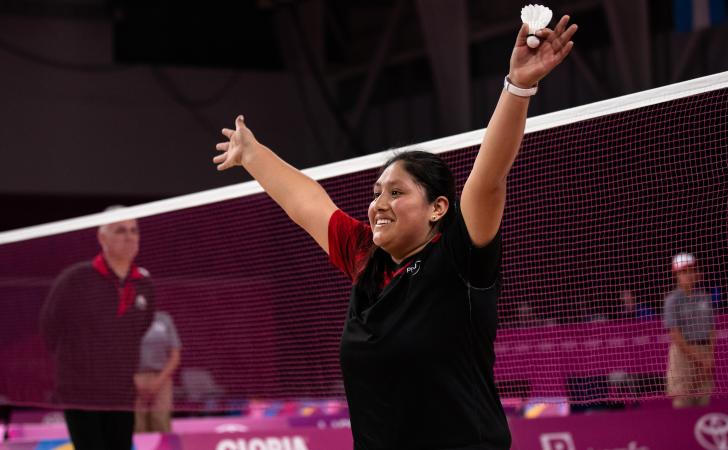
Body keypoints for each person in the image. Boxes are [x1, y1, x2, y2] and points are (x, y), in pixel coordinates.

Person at [213, 16, 577, 450]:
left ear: (438, 208)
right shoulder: (366, 256)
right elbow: (307, 203)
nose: (378, 204)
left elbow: (489, 177)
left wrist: (518, 85)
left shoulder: (459, 259)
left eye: (397, 192)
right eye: (376, 192)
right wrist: (252, 154)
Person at [40, 211, 155, 450]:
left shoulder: (144, 284)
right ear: (102, 238)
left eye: (134, 230)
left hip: (121, 393)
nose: (129, 237)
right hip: (81, 394)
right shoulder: (75, 278)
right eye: (120, 230)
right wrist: (80, 363)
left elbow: (139, 329)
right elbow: (49, 328)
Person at [663, 253, 715, 408]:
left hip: (705, 352)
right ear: (677, 275)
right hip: (683, 354)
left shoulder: (705, 297)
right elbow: (675, 335)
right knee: (682, 400)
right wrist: (700, 359)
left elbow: (712, 329)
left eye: (692, 270)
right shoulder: (672, 301)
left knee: (704, 399)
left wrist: (709, 357)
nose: (689, 275)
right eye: (684, 272)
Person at [135, 310, 181, 432]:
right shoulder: (126, 319)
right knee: (137, 425)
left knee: (161, 423)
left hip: (162, 378)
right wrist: (135, 381)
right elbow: (119, 354)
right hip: (133, 381)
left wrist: (158, 381)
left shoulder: (165, 319)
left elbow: (175, 356)